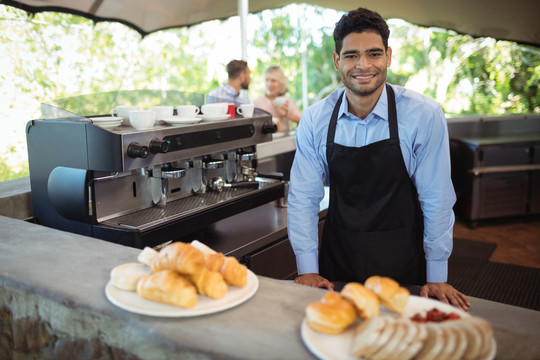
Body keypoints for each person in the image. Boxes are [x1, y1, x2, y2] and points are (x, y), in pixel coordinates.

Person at [287, 7, 470, 311]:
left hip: (404, 265)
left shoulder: (424, 115)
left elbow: (436, 199)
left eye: (373, 54)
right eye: (351, 56)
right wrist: (308, 269)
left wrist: (437, 274)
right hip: (337, 263)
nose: (363, 65)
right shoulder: (315, 119)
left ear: (388, 56)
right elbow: (303, 197)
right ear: (337, 61)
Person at [254, 66, 301, 132]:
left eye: (273, 80)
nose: (269, 84)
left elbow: (302, 120)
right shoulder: (258, 101)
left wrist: (286, 115)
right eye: (267, 80)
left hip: (284, 140)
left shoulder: (286, 100)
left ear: (281, 83)